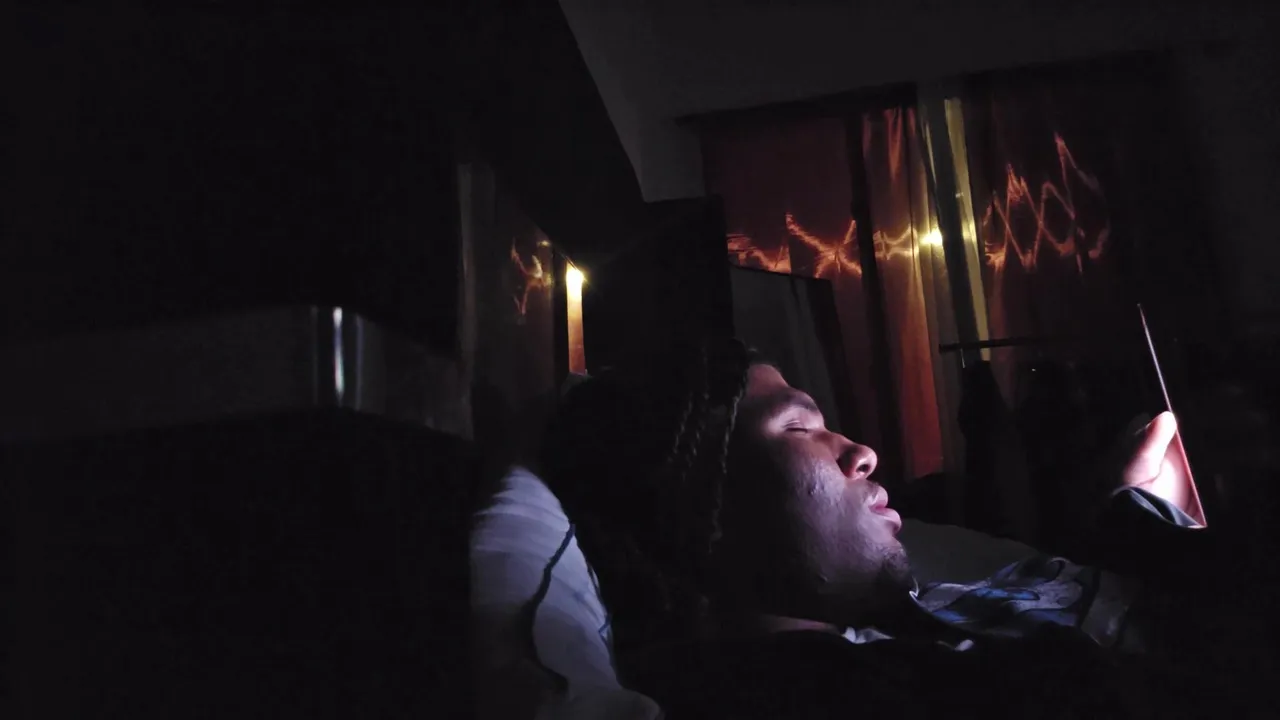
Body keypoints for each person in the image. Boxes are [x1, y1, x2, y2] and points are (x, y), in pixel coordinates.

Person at [538, 338, 1269, 719]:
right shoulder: (841, 699)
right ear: (698, 509)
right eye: (799, 428)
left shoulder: (900, 631)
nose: (862, 452)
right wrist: (1154, 533)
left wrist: (1122, 508)